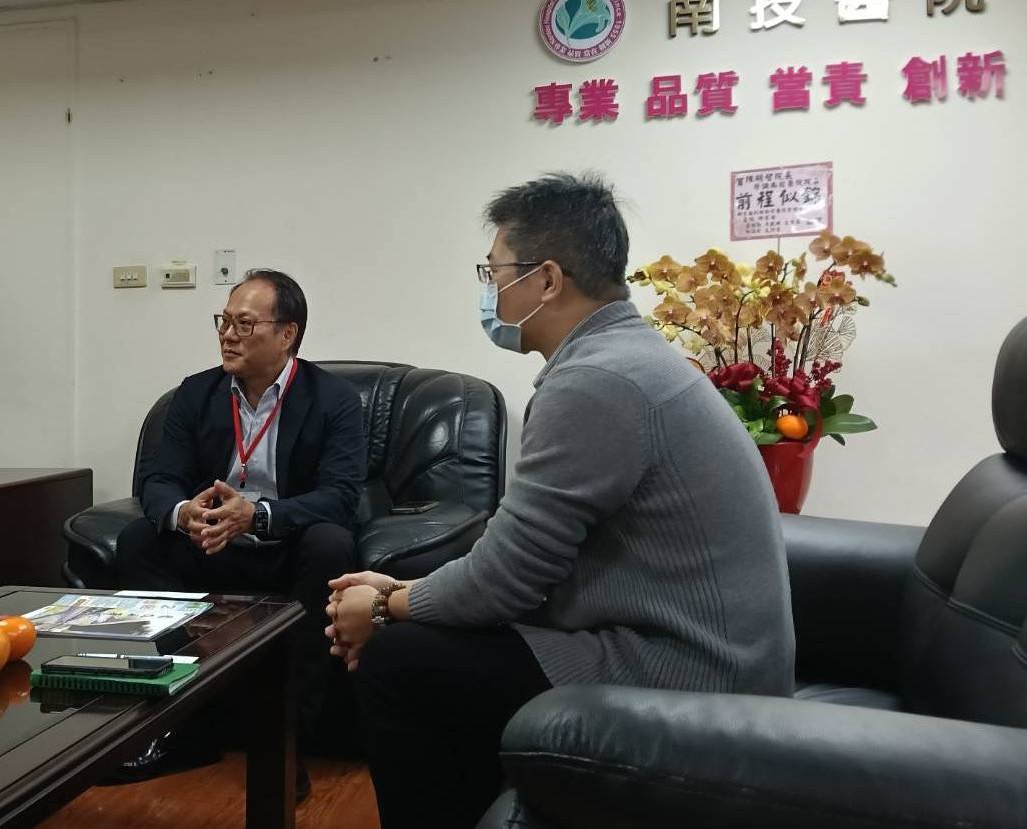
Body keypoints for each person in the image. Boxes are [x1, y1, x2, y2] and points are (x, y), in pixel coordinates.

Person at [326, 173, 796, 829]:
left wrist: (382, 605)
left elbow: (503, 581)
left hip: (688, 675)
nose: (489, 293)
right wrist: (406, 591)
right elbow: (522, 553)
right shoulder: (623, 357)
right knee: (428, 636)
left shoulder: (596, 381)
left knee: (396, 661)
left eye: (494, 273)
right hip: (683, 649)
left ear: (546, 279)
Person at [114, 269, 367, 797]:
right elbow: (156, 479)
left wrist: (259, 516)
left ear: (287, 334)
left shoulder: (333, 398)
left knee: (331, 543)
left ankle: (288, 741)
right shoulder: (195, 392)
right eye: (224, 322)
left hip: (286, 545)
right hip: (211, 545)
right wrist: (184, 512)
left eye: (245, 324)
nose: (228, 335)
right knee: (139, 540)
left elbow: (340, 495)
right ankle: (178, 726)